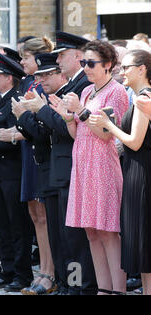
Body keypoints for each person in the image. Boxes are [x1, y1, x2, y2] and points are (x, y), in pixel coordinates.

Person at [50, 40, 129, 295]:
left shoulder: (115, 92)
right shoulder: (87, 91)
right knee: (91, 232)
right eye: (83, 62)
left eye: (91, 63)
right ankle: (103, 289)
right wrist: (66, 117)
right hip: (82, 164)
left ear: (108, 65)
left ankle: (118, 290)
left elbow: (107, 134)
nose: (86, 68)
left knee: (108, 232)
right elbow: (78, 134)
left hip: (103, 165)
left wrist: (80, 111)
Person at [35, 31, 96, 295]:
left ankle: (79, 287)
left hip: (72, 168)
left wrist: (41, 110)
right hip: (61, 169)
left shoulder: (82, 86)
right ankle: (68, 285)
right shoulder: (74, 84)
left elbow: (67, 127)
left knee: (75, 238)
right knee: (64, 237)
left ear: (78, 56)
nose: (58, 61)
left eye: (62, 55)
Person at [88, 50, 151, 295]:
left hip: (143, 173)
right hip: (136, 171)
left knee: (145, 240)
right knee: (142, 245)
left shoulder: (143, 98)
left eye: (126, 67)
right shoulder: (140, 97)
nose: (121, 71)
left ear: (142, 69)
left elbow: (134, 142)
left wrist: (109, 126)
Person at [12, 53, 69, 295]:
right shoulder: (44, 96)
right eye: (40, 75)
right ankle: (48, 273)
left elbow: (46, 132)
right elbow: (36, 131)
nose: (42, 80)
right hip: (42, 162)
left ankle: (60, 278)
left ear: (60, 73)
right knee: (44, 221)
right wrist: (23, 116)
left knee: (59, 227)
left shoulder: (63, 95)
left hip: (55, 166)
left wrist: (24, 115)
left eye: (48, 74)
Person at [0, 54, 33, 292]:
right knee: (2, 223)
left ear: (9, 78)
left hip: (11, 170)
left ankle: (21, 275)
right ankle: (7, 270)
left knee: (17, 225)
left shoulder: (16, 100)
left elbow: (17, 134)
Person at [17, 36, 54, 289]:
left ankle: (49, 272)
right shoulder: (28, 83)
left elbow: (41, 122)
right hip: (27, 150)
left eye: (25, 57)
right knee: (34, 213)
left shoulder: (44, 85)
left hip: (41, 152)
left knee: (44, 213)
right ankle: (41, 268)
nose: (21, 62)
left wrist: (23, 117)